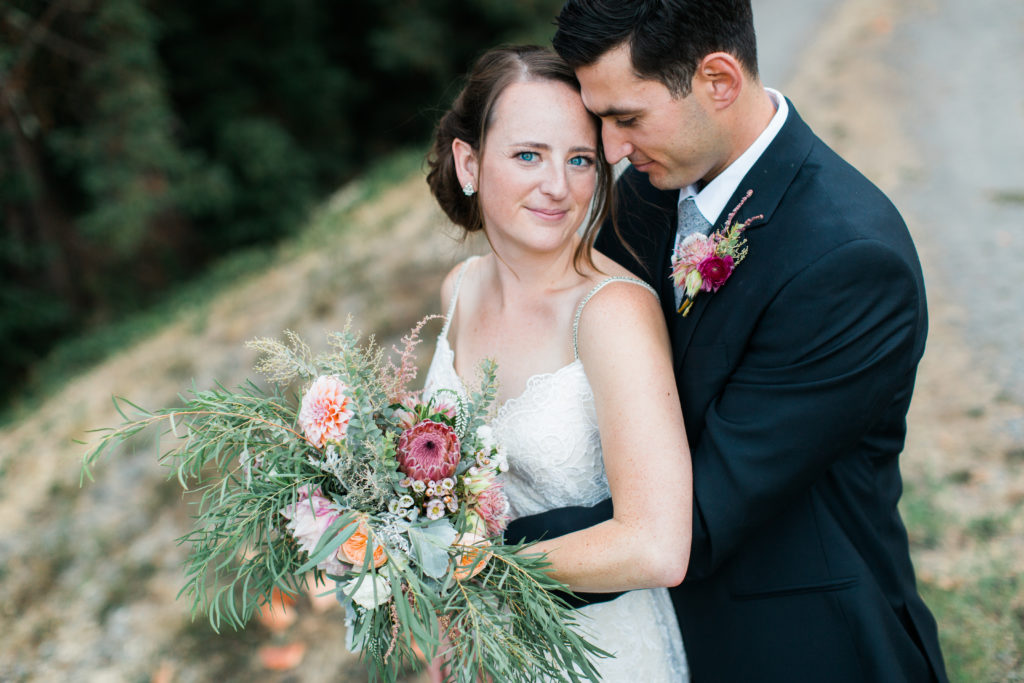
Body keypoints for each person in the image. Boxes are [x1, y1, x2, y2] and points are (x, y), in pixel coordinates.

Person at [504, 2, 950, 682]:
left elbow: (697, 516)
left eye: (627, 117)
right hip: (649, 633)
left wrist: (474, 556)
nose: (613, 148)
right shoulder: (654, 189)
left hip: (799, 646)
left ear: (717, 80)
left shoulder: (849, 262)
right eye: (604, 120)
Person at [422, 45, 692, 681]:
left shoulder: (611, 311)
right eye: (527, 156)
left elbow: (655, 546)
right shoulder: (459, 289)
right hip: (481, 651)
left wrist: (478, 570)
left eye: (579, 160)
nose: (558, 186)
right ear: (469, 162)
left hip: (596, 652)